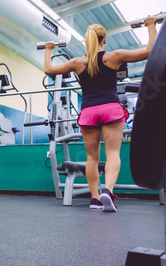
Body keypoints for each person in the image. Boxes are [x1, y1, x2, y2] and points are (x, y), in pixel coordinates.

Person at [43, 17, 157, 212]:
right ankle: (108, 191)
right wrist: (151, 26)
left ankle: (95, 199)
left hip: (88, 112)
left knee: (92, 158)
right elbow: (149, 51)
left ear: (87, 41)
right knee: (112, 153)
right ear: (103, 40)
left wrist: (48, 49)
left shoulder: (77, 62)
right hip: (110, 109)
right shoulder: (113, 56)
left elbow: (49, 69)